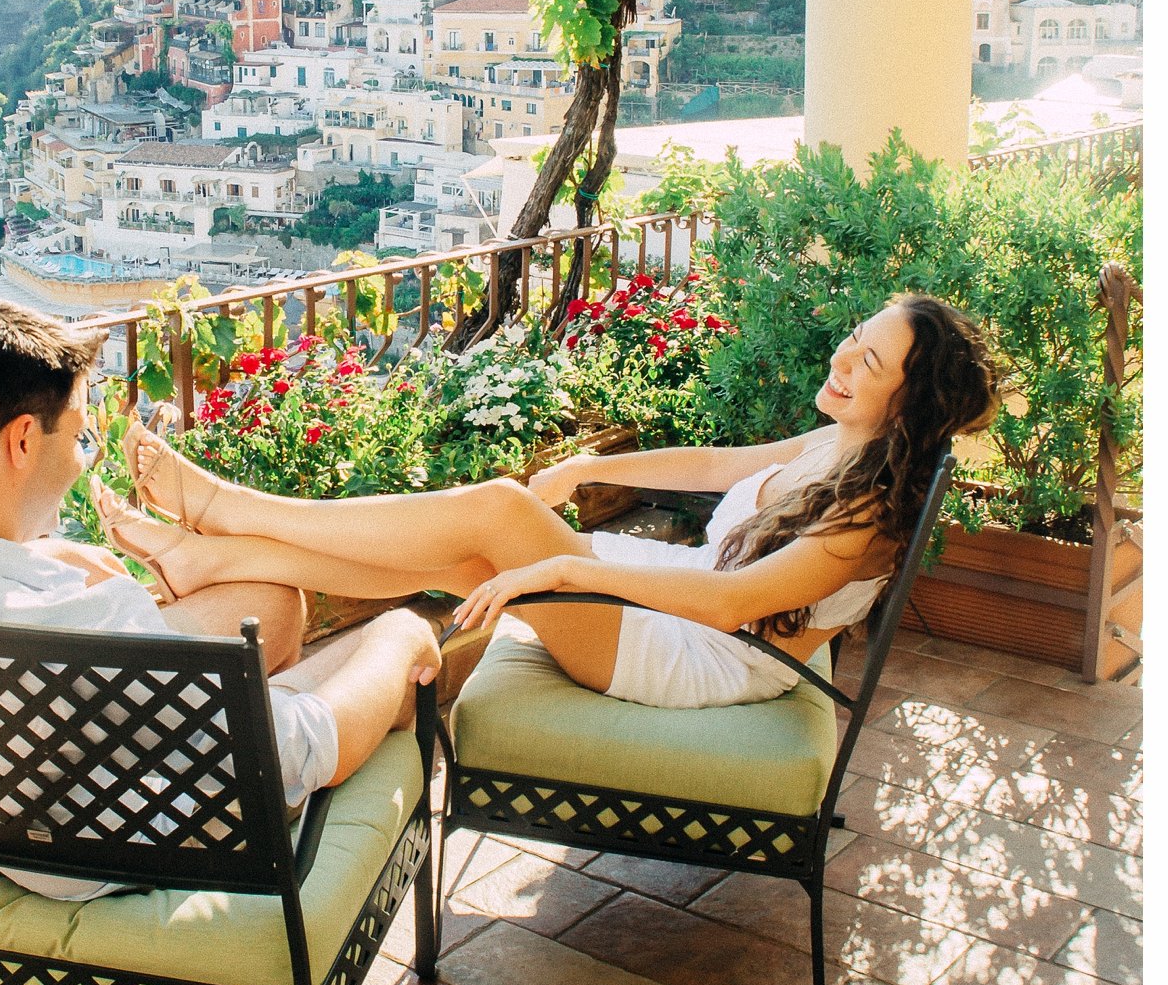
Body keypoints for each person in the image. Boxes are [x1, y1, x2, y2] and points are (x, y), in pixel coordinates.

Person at [0, 299, 440, 900]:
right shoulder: (73, 620)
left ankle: (243, 697)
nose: (85, 461)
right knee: (400, 644)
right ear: (23, 441)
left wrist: (60, 556)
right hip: (121, 842)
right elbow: (296, 751)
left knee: (270, 602)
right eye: (80, 437)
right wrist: (404, 636)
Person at [100, 294, 997, 713]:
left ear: (906, 404)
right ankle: (216, 551)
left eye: (867, 363)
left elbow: (728, 607)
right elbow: (718, 464)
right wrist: (576, 471)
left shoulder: (867, 517)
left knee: (497, 513)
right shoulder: (844, 446)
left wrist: (570, 563)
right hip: (681, 596)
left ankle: (226, 508)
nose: (842, 359)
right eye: (854, 338)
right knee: (467, 554)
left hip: (699, 655)